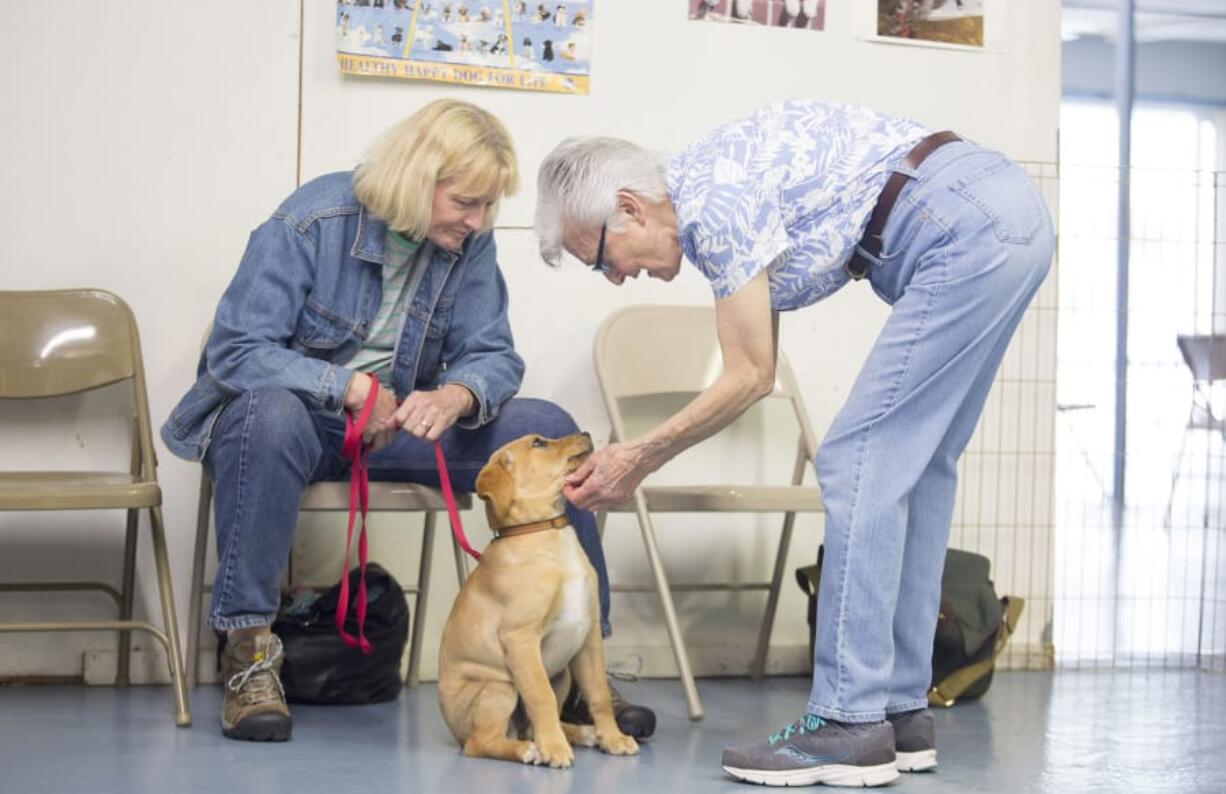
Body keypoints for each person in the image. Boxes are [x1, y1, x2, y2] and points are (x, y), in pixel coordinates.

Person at [534, 100, 1053, 787]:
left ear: (628, 208)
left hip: (959, 226)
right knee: (920, 465)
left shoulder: (711, 205)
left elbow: (749, 376)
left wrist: (637, 456)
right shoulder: (719, 188)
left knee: (855, 458)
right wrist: (643, 456)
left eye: (599, 257)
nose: (615, 276)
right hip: (1006, 214)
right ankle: (899, 714)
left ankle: (848, 723)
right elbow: (759, 365)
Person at [161, 99, 654, 743]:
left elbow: (493, 353)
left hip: (401, 427)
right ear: (416, 179)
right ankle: (249, 654)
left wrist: (455, 395)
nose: (478, 222)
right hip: (299, 425)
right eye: (465, 204)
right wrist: (346, 387)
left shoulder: (467, 243)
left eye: (487, 207)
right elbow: (236, 351)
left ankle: (580, 669)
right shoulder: (312, 221)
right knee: (267, 415)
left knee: (544, 424)